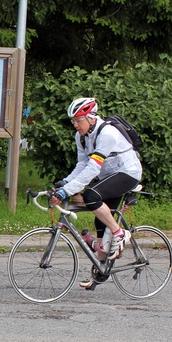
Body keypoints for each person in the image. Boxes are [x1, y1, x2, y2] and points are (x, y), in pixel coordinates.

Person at [50, 97, 142, 290]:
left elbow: (93, 168)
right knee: (100, 221)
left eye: (78, 120)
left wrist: (68, 190)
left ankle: (120, 233)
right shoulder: (81, 137)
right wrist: (65, 182)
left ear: (91, 117)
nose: (75, 125)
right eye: (73, 121)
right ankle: (102, 270)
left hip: (128, 173)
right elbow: (82, 164)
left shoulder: (107, 133)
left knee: (91, 196)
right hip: (109, 175)